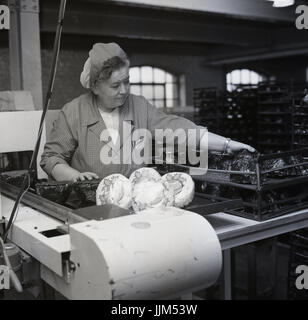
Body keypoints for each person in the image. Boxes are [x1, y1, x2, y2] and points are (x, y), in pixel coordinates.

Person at [40, 42, 255, 182]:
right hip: (89, 207)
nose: (124, 91)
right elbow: (51, 158)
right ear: (95, 86)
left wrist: (228, 145)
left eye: (127, 82)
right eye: (116, 86)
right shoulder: (73, 113)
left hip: (134, 203)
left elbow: (180, 130)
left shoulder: (139, 106)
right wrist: (74, 176)